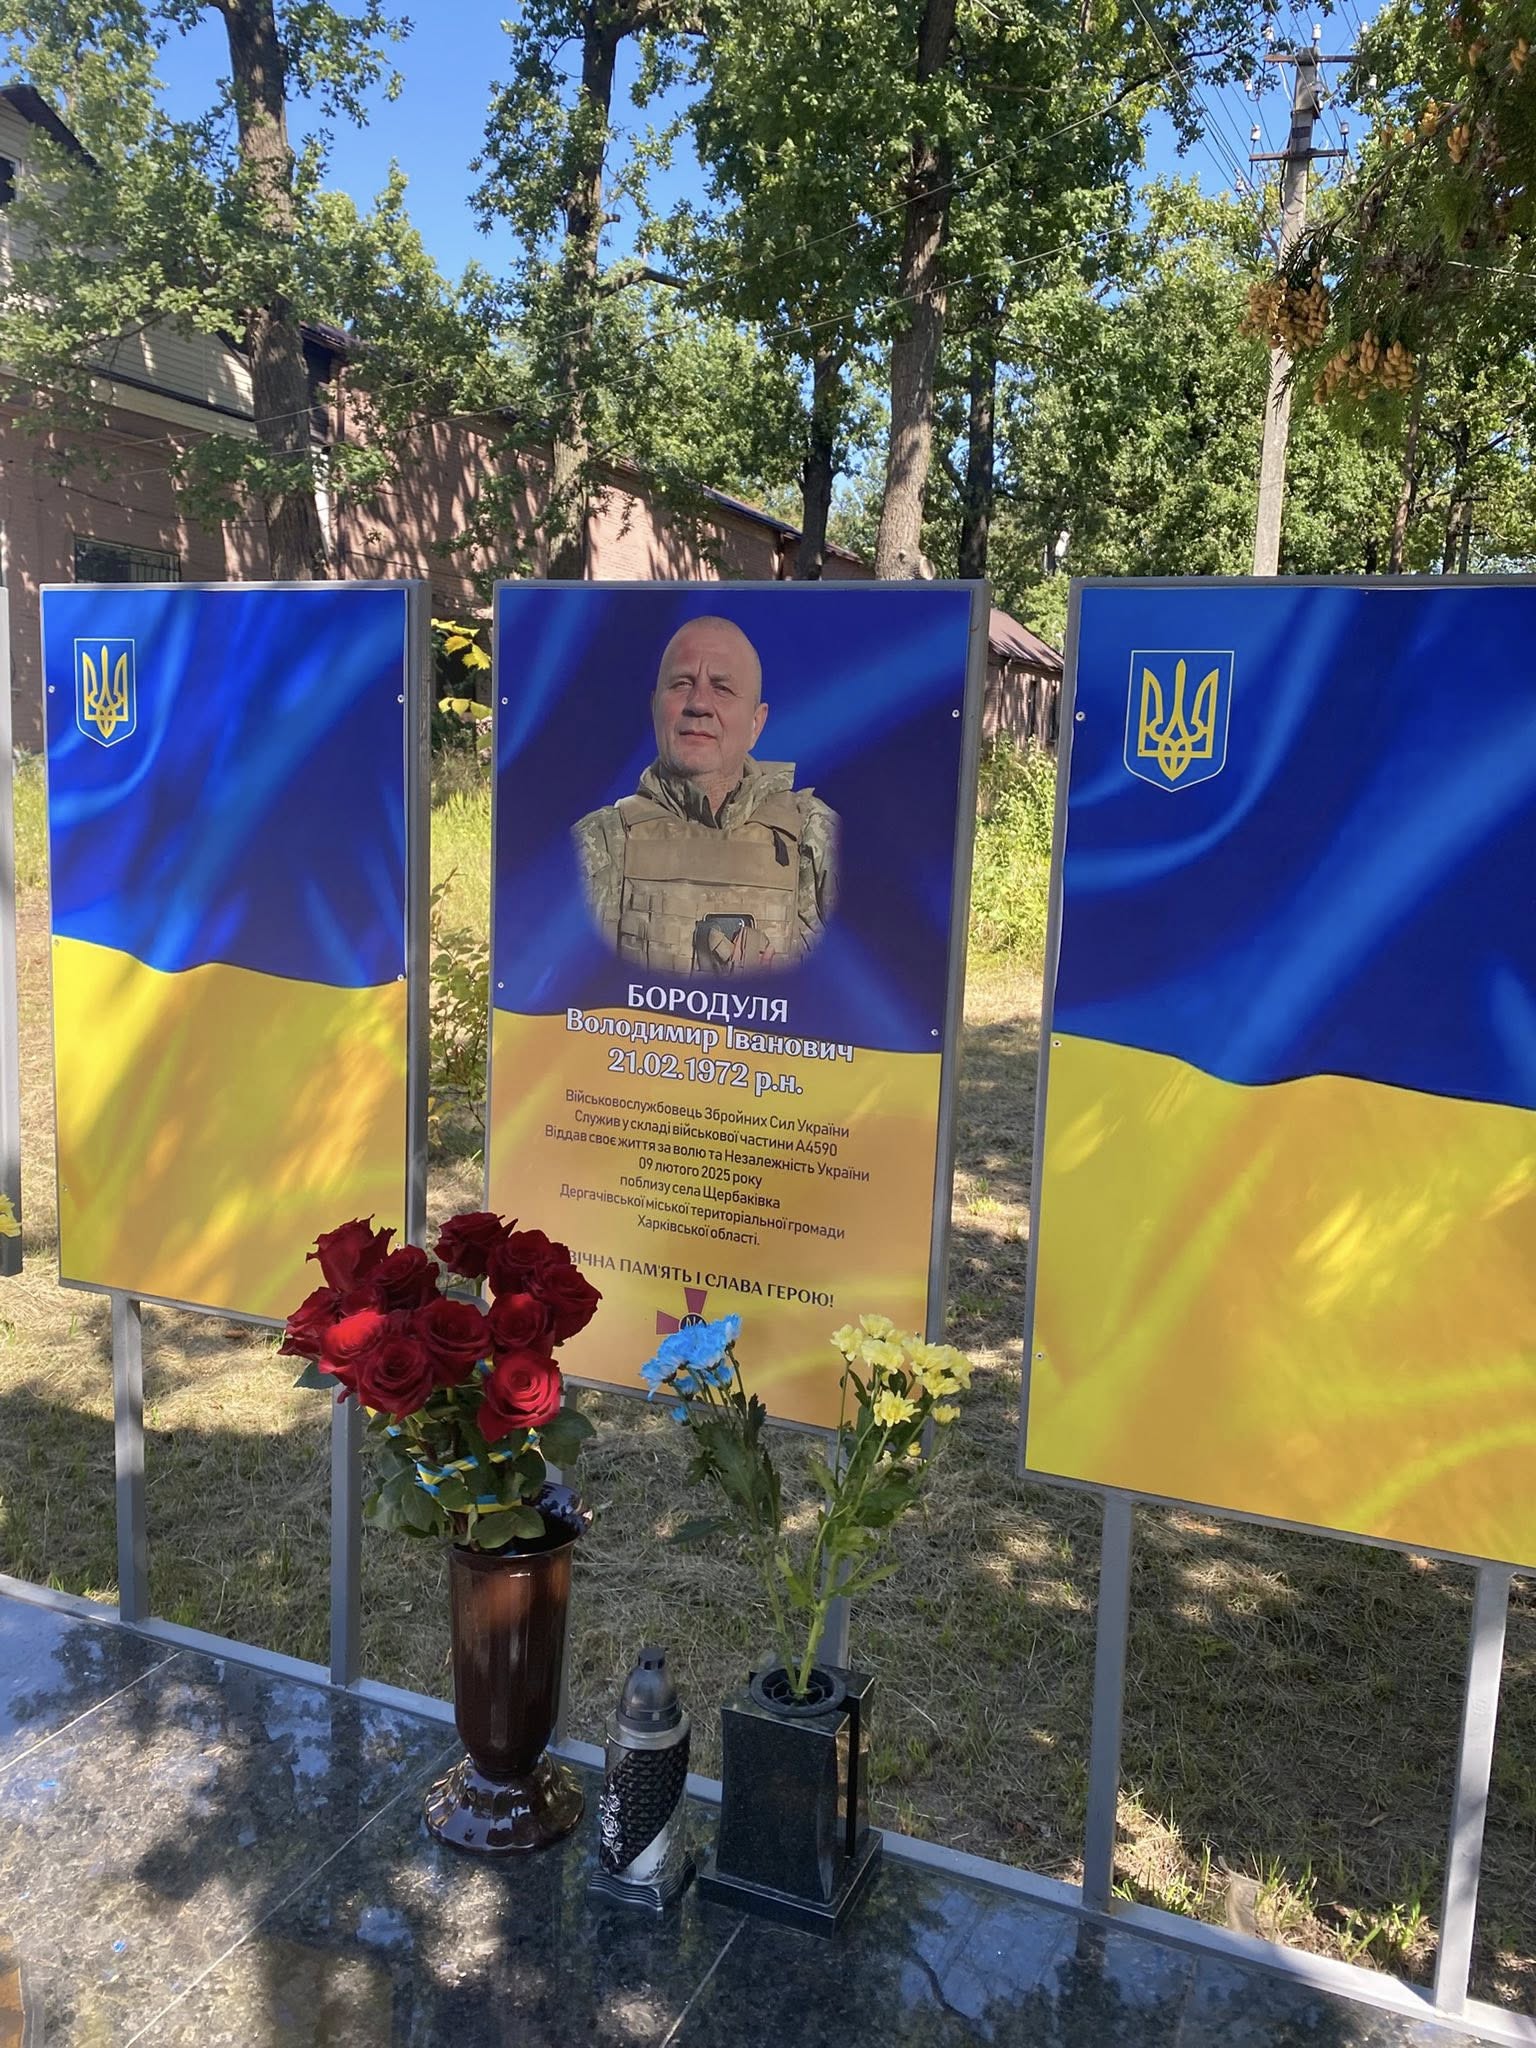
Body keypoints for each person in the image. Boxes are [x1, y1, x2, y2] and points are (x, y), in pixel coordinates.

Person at [573, 615, 839, 976]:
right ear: (655, 709)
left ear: (756, 724)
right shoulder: (596, 845)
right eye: (682, 683)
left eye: (722, 688)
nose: (699, 703)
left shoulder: (818, 839)